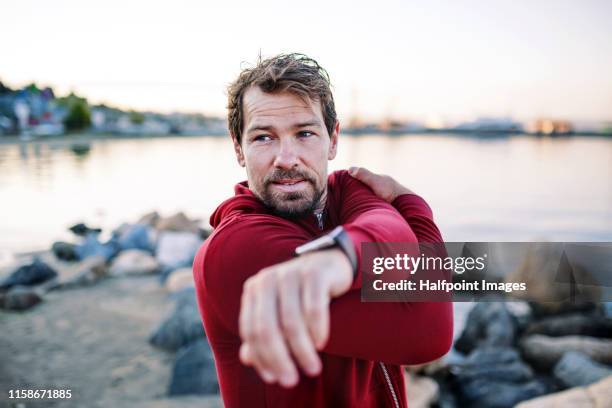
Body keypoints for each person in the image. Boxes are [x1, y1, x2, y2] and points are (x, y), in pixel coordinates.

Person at [193, 53, 453, 408]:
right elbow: (429, 334)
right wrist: (414, 207)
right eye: (263, 138)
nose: (286, 158)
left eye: (304, 133)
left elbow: (389, 227)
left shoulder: (346, 191)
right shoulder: (236, 248)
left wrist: (342, 257)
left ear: (332, 140)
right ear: (239, 148)